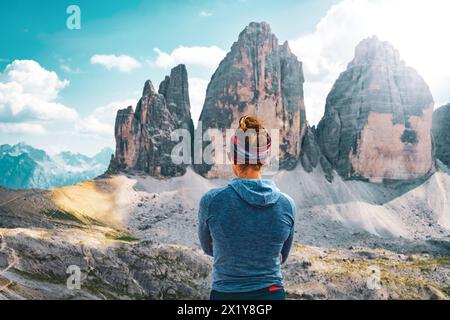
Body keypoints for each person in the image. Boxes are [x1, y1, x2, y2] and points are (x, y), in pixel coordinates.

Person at [198, 115, 297, 300]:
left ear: (233, 158)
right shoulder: (287, 205)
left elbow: (208, 248)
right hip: (272, 295)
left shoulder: (211, 201)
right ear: (265, 160)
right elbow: (282, 255)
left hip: (226, 295)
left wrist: (232, 252)